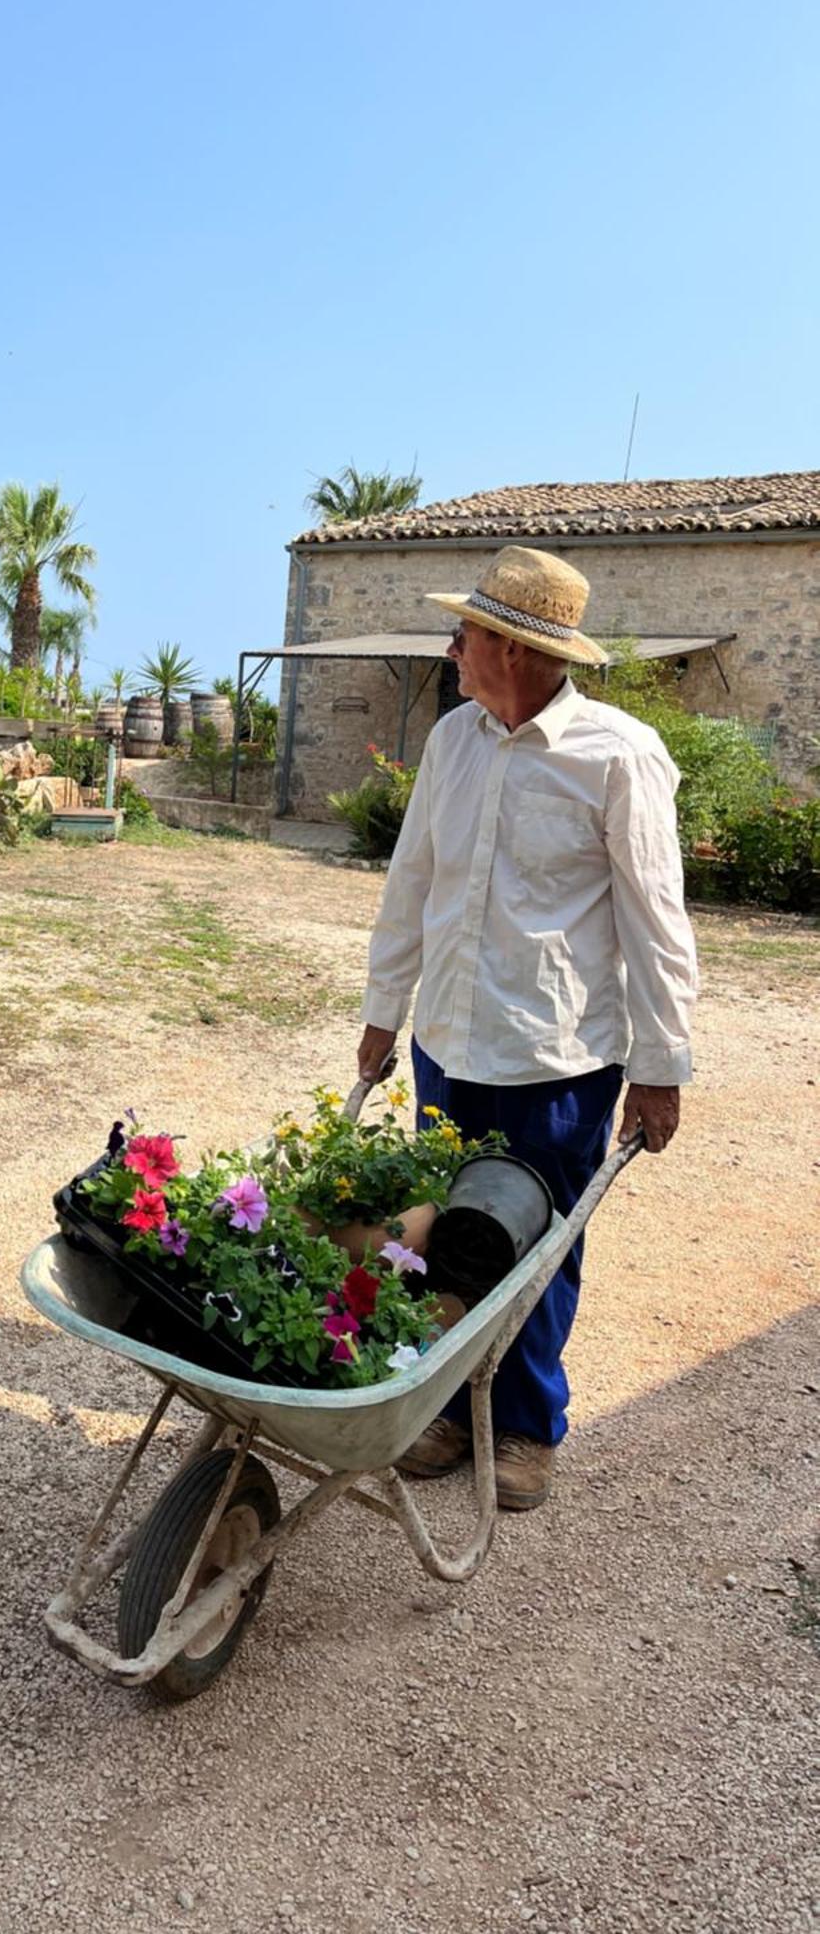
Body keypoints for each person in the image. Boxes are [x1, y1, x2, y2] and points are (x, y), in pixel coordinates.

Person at [356, 545, 698, 1510]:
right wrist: (385, 1011)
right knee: (435, 1233)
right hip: (448, 1043)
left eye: (465, 633)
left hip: (558, 1057)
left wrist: (662, 1067)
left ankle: (523, 1427)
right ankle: (442, 1412)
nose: (452, 647)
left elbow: (654, 918)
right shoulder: (453, 743)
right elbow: (411, 884)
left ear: (512, 647)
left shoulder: (618, 757)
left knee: (534, 1242)